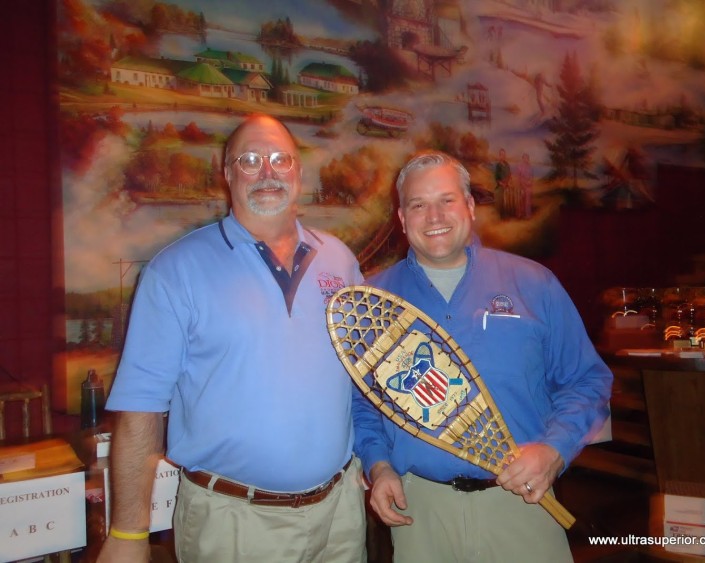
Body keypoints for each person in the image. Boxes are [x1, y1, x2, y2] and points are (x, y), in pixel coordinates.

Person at [99, 114, 366, 563]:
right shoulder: (175, 270)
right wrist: (128, 534)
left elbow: (363, 374)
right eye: (250, 160)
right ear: (227, 175)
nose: (267, 172)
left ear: (299, 172)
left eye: (281, 159)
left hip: (340, 516)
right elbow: (140, 409)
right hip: (233, 524)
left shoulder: (340, 260)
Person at [353, 151, 612, 562]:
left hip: (522, 502)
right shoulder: (374, 304)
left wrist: (554, 450)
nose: (434, 215)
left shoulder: (534, 283)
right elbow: (363, 405)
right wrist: (379, 465)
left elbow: (587, 380)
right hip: (420, 511)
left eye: (447, 200)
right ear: (402, 218)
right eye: (418, 204)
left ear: (470, 207)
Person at [493, 148, 512, 217]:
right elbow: (496, 178)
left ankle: (508, 214)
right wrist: (502, 184)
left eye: (504, 155)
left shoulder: (507, 164)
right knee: (499, 196)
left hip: (507, 185)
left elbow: (510, 174)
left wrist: (508, 182)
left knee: (510, 197)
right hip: (500, 185)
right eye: (501, 155)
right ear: (499, 156)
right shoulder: (498, 166)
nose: (503, 156)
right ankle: (500, 215)